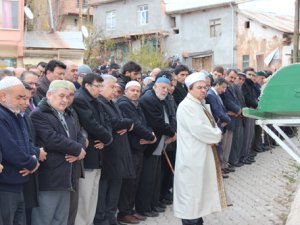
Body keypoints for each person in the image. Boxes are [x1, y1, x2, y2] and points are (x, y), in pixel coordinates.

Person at [31, 80, 86, 225]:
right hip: (50, 176)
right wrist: (78, 149)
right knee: (44, 218)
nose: (65, 100)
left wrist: (80, 151)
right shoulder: (39, 114)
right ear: (49, 94)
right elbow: (52, 139)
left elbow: (79, 135)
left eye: (68, 96)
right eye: (61, 96)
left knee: (61, 219)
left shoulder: (68, 113)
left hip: (67, 175)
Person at [173, 72, 223, 225]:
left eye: (205, 87)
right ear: (190, 89)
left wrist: (215, 132)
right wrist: (218, 134)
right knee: (191, 198)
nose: (203, 90)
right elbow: (201, 130)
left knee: (198, 197)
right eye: (199, 87)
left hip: (201, 156)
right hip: (192, 159)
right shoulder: (187, 106)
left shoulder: (198, 104)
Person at [94, 75, 135, 225]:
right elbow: (113, 122)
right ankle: (102, 218)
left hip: (118, 151)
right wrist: (128, 123)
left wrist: (126, 124)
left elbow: (122, 120)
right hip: (108, 152)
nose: (115, 91)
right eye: (111, 87)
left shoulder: (112, 102)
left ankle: (111, 217)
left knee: (115, 188)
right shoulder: (99, 102)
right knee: (105, 188)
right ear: (101, 87)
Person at [73, 73, 113, 225]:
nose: (100, 89)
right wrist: (107, 138)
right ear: (87, 85)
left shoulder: (96, 100)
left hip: (99, 153)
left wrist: (107, 138)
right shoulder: (80, 100)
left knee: (93, 196)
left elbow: (107, 121)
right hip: (88, 155)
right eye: (98, 86)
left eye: (102, 86)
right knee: (84, 197)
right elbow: (91, 124)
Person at [0, 76, 40, 225]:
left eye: (26, 98)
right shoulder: (2, 116)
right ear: (3, 96)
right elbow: (10, 149)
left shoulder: (17, 115)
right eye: (20, 98)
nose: (25, 102)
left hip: (18, 182)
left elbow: (28, 142)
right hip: (5, 184)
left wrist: (33, 160)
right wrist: (31, 163)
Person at [117, 81, 157, 224]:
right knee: (128, 182)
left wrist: (150, 136)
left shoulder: (136, 104)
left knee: (134, 182)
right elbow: (136, 125)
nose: (135, 93)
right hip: (130, 148)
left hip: (139, 148)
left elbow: (143, 122)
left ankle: (130, 210)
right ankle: (124, 213)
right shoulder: (124, 104)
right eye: (132, 90)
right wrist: (151, 137)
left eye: (137, 90)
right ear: (126, 91)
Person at [136, 76, 176, 217]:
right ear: (154, 87)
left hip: (159, 145)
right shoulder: (148, 99)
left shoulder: (160, 99)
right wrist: (172, 133)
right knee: (147, 179)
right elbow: (157, 122)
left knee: (155, 178)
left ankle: (153, 204)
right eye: (162, 87)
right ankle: (144, 208)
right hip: (150, 146)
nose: (165, 90)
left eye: (167, 88)